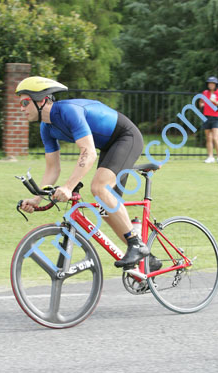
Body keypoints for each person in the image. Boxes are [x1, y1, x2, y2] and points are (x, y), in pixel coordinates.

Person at [15, 76, 162, 271]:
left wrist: (68, 187)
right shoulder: (46, 128)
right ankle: (148, 258)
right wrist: (36, 198)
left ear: (41, 100)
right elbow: (53, 168)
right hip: (109, 147)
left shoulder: (67, 111)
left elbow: (88, 152)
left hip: (125, 137)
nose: (22, 108)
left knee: (99, 187)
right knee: (106, 208)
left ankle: (136, 244)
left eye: (25, 102)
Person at [199, 76, 218, 164]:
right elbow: (200, 101)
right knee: (208, 138)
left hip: (216, 117)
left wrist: (215, 102)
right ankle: (210, 157)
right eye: (209, 83)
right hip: (206, 117)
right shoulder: (205, 92)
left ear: (216, 85)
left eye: (212, 84)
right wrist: (201, 105)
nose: (210, 85)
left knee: (215, 138)